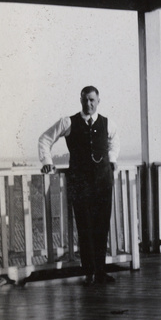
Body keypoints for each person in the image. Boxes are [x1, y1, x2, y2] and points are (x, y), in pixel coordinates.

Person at [38, 86, 120, 285]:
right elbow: (45, 139)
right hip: (80, 182)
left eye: (92, 100)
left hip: (103, 181)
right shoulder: (68, 122)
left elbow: (115, 142)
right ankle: (90, 273)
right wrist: (47, 160)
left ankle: (100, 272)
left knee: (101, 226)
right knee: (85, 226)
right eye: (85, 100)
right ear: (80, 100)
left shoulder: (107, 123)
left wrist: (112, 158)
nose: (88, 104)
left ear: (98, 100)